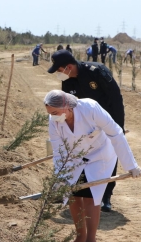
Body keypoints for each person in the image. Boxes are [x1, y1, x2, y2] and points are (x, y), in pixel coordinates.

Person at [43, 90, 141, 242]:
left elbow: (116, 133)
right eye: (50, 113)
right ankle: (80, 238)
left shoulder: (90, 108)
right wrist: (59, 177)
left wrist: (131, 166)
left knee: (91, 197)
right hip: (74, 157)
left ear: (67, 107)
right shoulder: (54, 120)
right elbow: (58, 151)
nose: (53, 116)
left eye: (55, 112)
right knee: (72, 195)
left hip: (99, 156)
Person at [47, 50, 125, 212]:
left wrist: (118, 127)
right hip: (87, 125)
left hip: (106, 121)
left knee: (109, 156)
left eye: (60, 70)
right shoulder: (68, 82)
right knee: (81, 155)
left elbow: (116, 98)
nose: (59, 74)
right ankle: (79, 191)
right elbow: (67, 106)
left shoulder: (96, 72)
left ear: (68, 67)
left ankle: (106, 196)